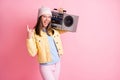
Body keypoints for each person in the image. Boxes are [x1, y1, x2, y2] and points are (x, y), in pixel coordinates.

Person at [26, 6, 66, 80]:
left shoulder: (53, 30)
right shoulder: (34, 33)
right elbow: (33, 53)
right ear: (39, 18)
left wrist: (61, 15)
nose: (47, 19)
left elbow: (66, 29)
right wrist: (29, 38)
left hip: (57, 63)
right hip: (46, 66)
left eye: (49, 17)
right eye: (44, 16)